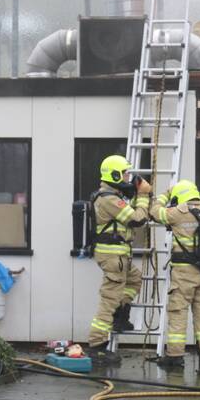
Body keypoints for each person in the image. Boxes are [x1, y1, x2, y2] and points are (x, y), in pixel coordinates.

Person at [150, 179, 200, 372]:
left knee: (178, 312)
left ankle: (175, 357)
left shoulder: (178, 213)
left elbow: (155, 212)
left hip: (183, 272)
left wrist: (166, 194)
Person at [86, 154, 152, 365]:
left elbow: (125, 211)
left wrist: (133, 193)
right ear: (114, 174)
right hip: (113, 256)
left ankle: (120, 317)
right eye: (124, 173)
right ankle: (97, 346)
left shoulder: (114, 195)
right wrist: (143, 196)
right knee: (109, 299)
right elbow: (137, 219)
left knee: (135, 279)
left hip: (119, 255)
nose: (127, 177)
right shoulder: (108, 198)